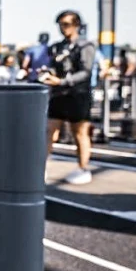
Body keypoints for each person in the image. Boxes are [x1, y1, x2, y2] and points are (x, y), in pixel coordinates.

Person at [40, 10, 96, 185]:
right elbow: (54, 66)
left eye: (66, 24)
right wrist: (49, 74)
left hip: (77, 94)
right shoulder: (57, 47)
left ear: (76, 25)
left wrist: (63, 80)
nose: (63, 28)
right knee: (49, 130)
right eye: (60, 24)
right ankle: (40, 168)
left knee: (79, 132)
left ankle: (83, 167)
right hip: (58, 94)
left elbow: (85, 72)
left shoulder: (85, 46)